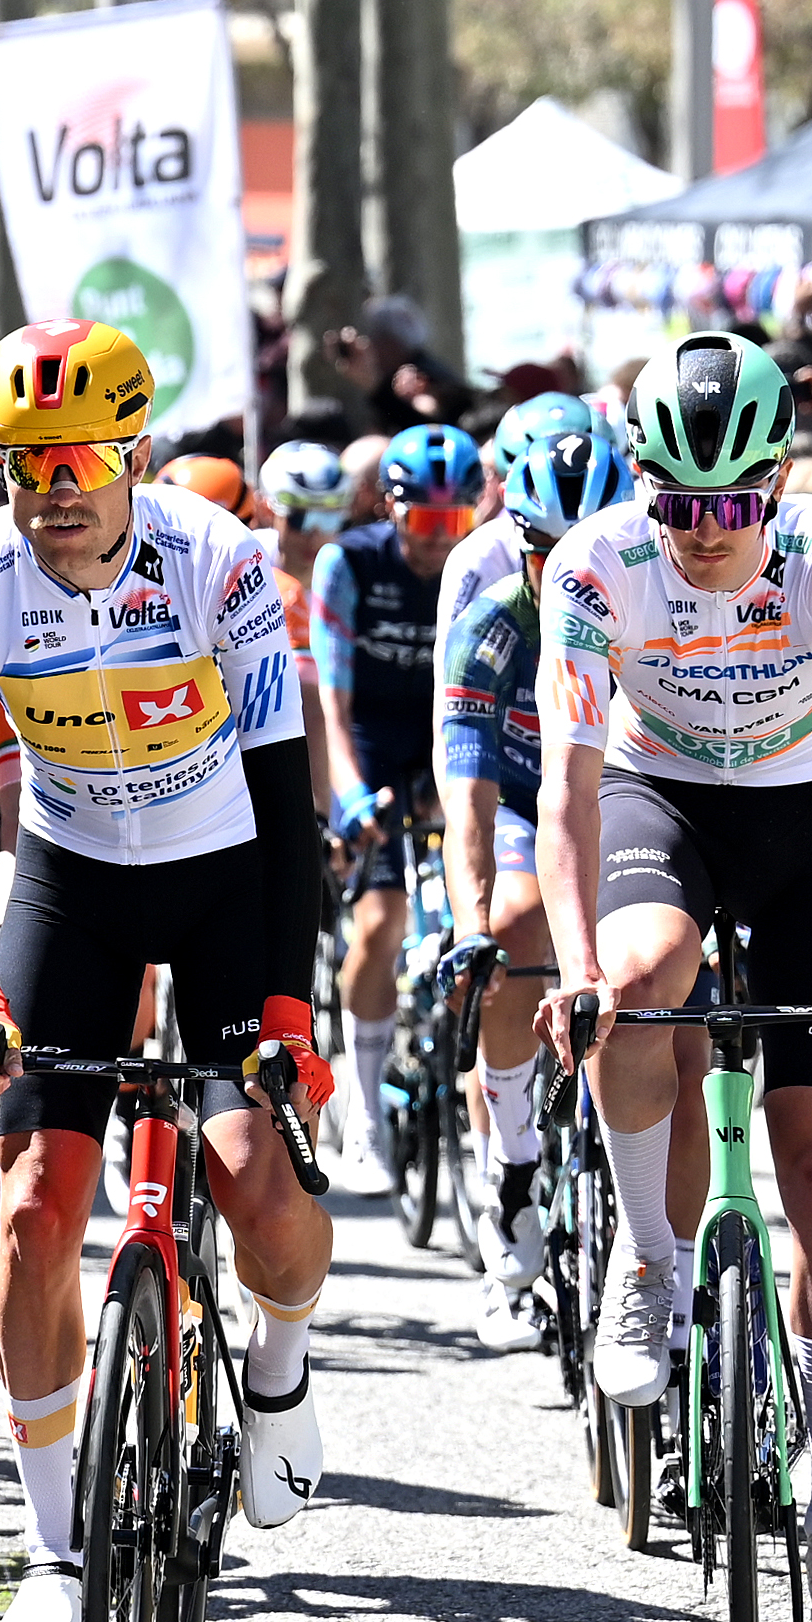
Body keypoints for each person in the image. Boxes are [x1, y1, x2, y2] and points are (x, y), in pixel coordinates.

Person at [0, 320, 331, 1622]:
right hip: (70, 886)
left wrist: (284, 1005)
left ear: (134, 453)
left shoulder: (222, 565)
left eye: (78, 457)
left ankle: (278, 1366)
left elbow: (284, 805)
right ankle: (54, 1544)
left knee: (260, 1181)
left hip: (222, 883)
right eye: (21, 461)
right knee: (35, 1208)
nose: (51, 487)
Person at [530, 328, 812, 1622]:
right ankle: (649, 1252)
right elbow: (567, 789)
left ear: (780, 477)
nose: (703, 533)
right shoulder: (595, 566)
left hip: (808, 809)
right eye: (675, 502)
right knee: (639, 981)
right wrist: (579, 968)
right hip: (662, 795)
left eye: (732, 504)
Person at [435, 397, 629, 1321]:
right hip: (520, 805)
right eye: (545, 555)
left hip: (631, 809)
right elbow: (467, 795)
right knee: (512, 929)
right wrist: (470, 923)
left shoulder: (659, 613)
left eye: (584, 550)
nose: (566, 578)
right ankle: (513, 1163)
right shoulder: (493, 626)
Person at [306, 422, 482, 1185]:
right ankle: (366, 1114)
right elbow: (333, 714)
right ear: (389, 507)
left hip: (449, 735)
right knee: (379, 921)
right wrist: (347, 799)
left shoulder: (480, 566)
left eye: (456, 523)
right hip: (371, 741)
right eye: (423, 521)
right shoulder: (349, 564)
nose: (439, 541)